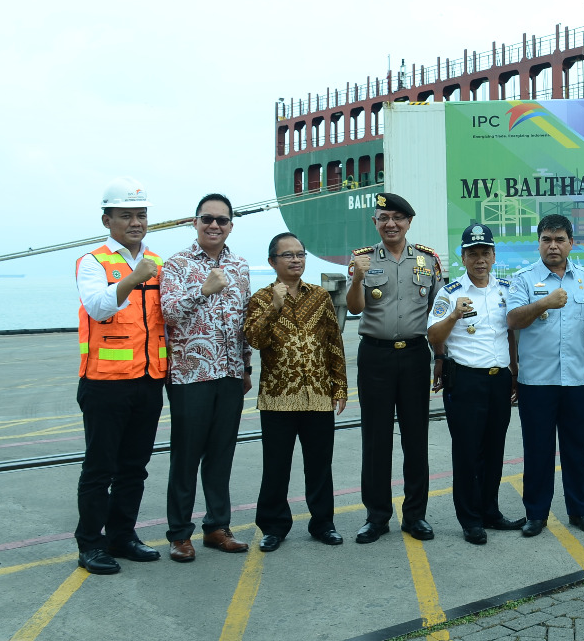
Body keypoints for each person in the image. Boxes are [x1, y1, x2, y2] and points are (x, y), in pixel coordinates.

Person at [73, 177, 167, 575]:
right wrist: (131, 277)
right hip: (105, 383)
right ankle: (90, 544)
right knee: (100, 468)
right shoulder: (93, 262)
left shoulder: (159, 263)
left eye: (141, 215)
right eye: (126, 215)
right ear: (106, 219)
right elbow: (97, 307)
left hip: (149, 381)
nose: (135, 222)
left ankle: (123, 536)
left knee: (134, 466)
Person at [160, 193, 252, 563]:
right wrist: (202, 291)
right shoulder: (177, 264)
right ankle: (180, 534)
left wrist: (245, 366)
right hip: (190, 374)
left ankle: (217, 527)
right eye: (207, 219)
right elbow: (168, 313)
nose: (214, 225)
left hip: (229, 373)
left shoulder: (241, 266)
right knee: (186, 457)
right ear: (194, 223)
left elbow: (243, 322)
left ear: (231, 225)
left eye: (222, 220)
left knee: (221, 454)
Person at [348, 192, 443, 544]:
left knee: (416, 438)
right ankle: (376, 517)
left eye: (398, 218)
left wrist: (441, 358)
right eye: (384, 217)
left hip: (416, 355)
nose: (391, 224)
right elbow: (355, 307)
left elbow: (438, 314)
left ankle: (415, 516)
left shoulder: (428, 261)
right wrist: (357, 279)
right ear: (375, 222)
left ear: (408, 222)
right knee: (375, 439)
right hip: (375, 356)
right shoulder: (361, 260)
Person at [244, 233, 348, 552]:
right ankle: (274, 526)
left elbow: (333, 341)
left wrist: (339, 385)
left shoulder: (319, 296)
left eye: (300, 254)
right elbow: (255, 340)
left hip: (317, 395)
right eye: (287, 255)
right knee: (276, 466)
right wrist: (275, 306)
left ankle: (323, 524)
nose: (295, 260)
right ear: (273, 261)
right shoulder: (261, 298)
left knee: (319, 465)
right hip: (278, 398)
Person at [507, 214, 584, 537]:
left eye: (559, 239)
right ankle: (536, 514)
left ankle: (581, 511)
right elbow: (514, 320)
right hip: (537, 382)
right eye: (547, 239)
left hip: (577, 379)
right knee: (538, 451)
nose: (553, 246)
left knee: (577, 450)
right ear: (538, 243)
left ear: (571, 243)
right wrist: (545, 302)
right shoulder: (522, 279)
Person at [427, 224, 526, 545]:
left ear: (494, 255)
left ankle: (490, 512)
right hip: (466, 381)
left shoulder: (506, 289)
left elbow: (510, 334)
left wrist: (514, 371)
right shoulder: (450, 293)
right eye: (473, 254)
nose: (479, 259)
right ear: (463, 257)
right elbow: (433, 337)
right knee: (468, 452)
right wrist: (454, 316)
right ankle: (470, 519)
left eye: (485, 253)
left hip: (499, 382)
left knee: (494, 450)